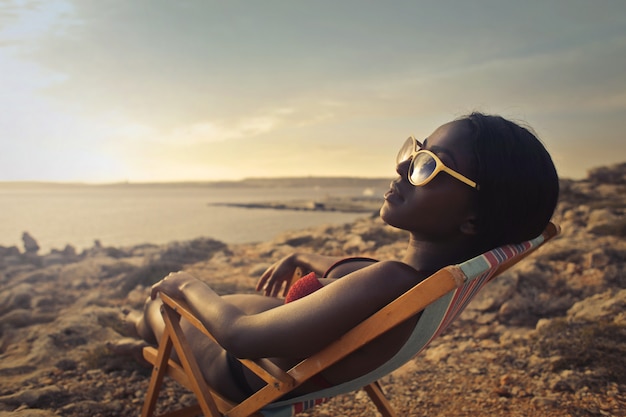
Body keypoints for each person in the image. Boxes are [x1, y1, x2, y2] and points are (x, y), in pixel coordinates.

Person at [117, 112, 559, 403]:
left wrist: (188, 285)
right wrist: (302, 254)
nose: (402, 169)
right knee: (167, 308)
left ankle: (138, 331)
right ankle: (138, 329)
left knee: (159, 306)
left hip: (237, 368)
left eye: (429, 167)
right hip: (266, 359)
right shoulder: (418, 283)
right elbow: (354, 275)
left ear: (473, 220)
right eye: (414, 152)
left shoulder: (391, 282)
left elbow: (241, 336)